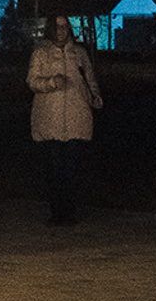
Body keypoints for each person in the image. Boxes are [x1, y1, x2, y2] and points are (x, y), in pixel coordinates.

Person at [28, 14, 101, 225]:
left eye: (65, 27)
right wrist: (51, 82)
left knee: (70, 170)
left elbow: (90, 78)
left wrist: (95, 97)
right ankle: (56, 212)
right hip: (50, 119)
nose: (62, 31)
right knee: (54, 170)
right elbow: (32, 80)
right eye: (58, 27)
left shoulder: (79, 53)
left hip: (76, 118)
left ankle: (68, 212)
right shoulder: (41, 53)